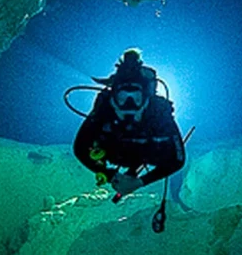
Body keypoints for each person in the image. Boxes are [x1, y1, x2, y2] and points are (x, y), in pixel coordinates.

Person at [70, 50, 186, 215]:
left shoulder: (158, 112)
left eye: (136, 97)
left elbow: (178, 159)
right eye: (123, 97)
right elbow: (80, 148)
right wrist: (109, 175)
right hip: (116, 152)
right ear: (113, 97)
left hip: (147, 153)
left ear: (146, 97)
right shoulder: (104, 110)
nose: (129, 104)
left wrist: (139, 183)